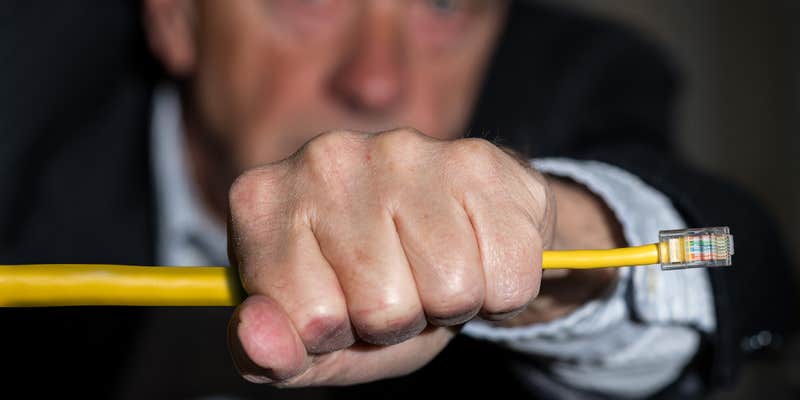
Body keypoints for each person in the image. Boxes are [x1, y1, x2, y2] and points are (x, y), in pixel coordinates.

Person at [0, 1, 795, 398]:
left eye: (444, 3)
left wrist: (546, 233)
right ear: (175, 17)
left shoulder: (575, 73)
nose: (377, 79)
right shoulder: (24, 78)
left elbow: (747, 267)